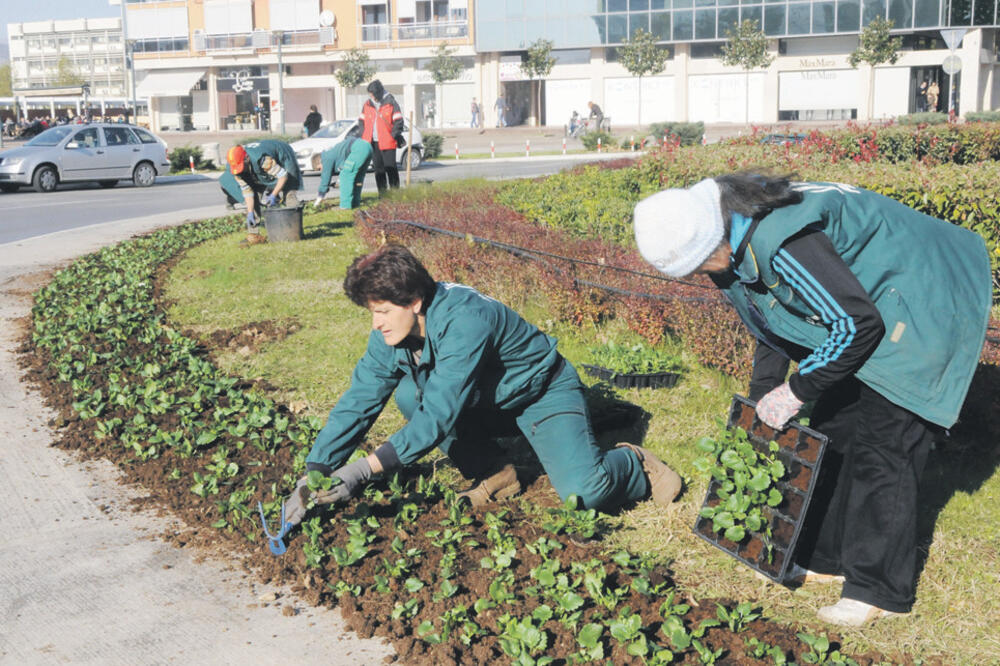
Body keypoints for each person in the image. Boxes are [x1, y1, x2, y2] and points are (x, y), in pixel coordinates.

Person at [632, 173, 991, 627]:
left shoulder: (783, 242)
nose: (705, 275)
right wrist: (765, 392)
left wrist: (797, 389)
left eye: (702, 266)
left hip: (923, 291)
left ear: (713, 239)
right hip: (868, 300)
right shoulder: (732, 230)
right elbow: (771, 314)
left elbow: (859, 325)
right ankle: (825, 558)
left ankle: (876, 588)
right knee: (835, 425)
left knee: (887, 441)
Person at [278, 243, 682, 530]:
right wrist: (316, 470)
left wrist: (363, 471)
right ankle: (497, 471)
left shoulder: (465, 321)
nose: (376, 323)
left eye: (383, 312)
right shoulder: (390, 336)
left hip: (540, 394)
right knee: (408, 394)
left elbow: (438, 415)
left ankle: (633, 464)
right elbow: (360, 399)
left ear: (415, 301)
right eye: (372, 313)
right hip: (483, 399)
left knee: (585, 495)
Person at [219, 139, 302, 246]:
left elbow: (283, 176)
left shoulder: (263, 160)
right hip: (259, 170)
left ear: (246, 158)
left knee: (289, 194)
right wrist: (250, 212)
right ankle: (254, 235)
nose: (239, 171)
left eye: (241, 167)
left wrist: (273, 195)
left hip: (283, 154)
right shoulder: (235, 168)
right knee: (254, 198)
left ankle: (293, 232)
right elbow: (248, 193)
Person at [359, 79, 404, 194]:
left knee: (391, 168)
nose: (371, 97)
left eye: (373, 94)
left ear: (378, 92)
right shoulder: (367, 104)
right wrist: (364, 136)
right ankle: (382, 195)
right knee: (378, 170)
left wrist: (392, 136)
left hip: (388, 142)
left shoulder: (391, 102)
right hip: (373, 143)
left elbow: (398, 121)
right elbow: (361, 121)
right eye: (370, 94)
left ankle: (395, 194)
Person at [312, 130, 374, 210]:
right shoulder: (332, 152)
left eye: (319, 168)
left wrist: (319, 198)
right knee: (358, 177)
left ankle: (345, 206)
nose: (321, 170)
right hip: (367, 146)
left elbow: (325, 179)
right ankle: (355, 203)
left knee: (345, 176)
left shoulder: (326, 158)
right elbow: (345, 165)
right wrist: (338, 182)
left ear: (320, 161)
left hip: (358, 148)